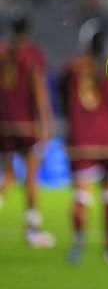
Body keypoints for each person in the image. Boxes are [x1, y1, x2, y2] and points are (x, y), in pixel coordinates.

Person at [60, 18, 108, 264]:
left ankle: (78, 244)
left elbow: (62, 97)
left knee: (81, 195)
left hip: (81, 139)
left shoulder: (72, 68)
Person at [0, 14, 55, 248]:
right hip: (27, 125)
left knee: (9, 175)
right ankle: (33, 231)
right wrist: (46, 122)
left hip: (4, 125)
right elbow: (39, 90)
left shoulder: (3, 54)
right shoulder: (32, 55)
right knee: (32, 177)